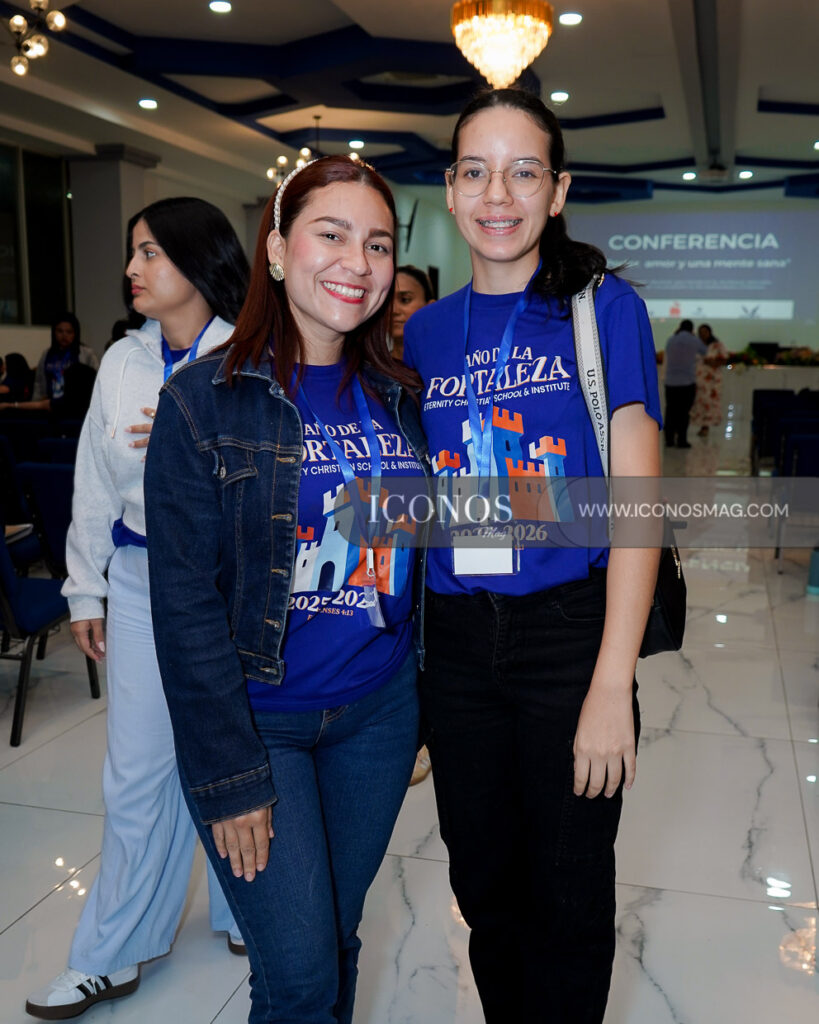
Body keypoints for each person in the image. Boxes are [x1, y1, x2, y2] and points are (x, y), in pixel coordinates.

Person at [144, 155, 429, 1024]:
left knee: (336, 940)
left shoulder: (400, 397)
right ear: (275, 250)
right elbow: (184, 606)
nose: (358, 261)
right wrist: (230, 776)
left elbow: (429, 557)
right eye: (331, 234)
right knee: (298, 972)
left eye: (378, 244)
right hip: (258, 723)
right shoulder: (203, 402)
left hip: (377, 717)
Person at [403, 88, 662, 1024]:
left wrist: (608, 687)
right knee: (484, 891)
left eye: (522, 171)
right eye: (475, 171)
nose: (496, 192)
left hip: (566, 641)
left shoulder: (603, 311)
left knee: (569, 897)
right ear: (450, 187)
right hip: (460, 646)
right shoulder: (424, 334)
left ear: (556, 192)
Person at [25, 197, 250, 1021]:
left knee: (243, 756)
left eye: (150, 252)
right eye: (133, 253)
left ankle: (243, 913)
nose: (132, 269)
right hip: (140, 579)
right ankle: (111, 952)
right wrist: (84, 586)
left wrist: (211, 445)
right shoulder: (121, 361)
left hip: (233, 586)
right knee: (136, 775)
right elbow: (91, 482)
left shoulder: (255, 356)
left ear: (198, 261)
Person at [663, 318, 706, 447]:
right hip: (687, 382)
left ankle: (669, 440)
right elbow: (705, 351)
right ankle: (682, 440)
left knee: (670, 411)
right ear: (692, 329)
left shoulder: (671, 340)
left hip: (670, 382)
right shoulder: (694, 340)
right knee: (683, 413)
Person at [691, 323, 728, 437]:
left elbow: (724, 359)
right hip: (698, 379)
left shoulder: (717, 345)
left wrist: (712, 362)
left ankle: (706, 427)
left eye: (705, 332)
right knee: (699, 402)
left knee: (709, 403)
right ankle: (700, 425)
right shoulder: (695, 344)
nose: (703, 335)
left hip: (712, 380)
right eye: (701, 332)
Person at [390, 263, 434, 360]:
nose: (393, 310)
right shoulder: (371, 370)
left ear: (430, 307)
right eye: (386, 303)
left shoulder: (447, 365)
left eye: (405, 300)